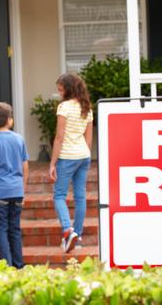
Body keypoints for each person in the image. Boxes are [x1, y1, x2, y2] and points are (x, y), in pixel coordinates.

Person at [48, 73, 93, 253]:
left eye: (61, 89)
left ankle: (68, 231)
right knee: (80, 196)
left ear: (68, 88)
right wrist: (85, 154)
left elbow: (59, 137)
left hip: (67, 156)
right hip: (83, 155)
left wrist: (52, 163)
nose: (59, 93)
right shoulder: (86, 107)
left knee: (59, 196)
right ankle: (78, 236)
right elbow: (89, 138)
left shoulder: (64, 107)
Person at [0, 102, 29, 268]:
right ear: (10, 120)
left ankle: (6, 265)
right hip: (17, 190)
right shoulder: (19, 139)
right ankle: (19, 265)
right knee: (15, 229)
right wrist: (23, 190)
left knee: (1, 229)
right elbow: (25, 167)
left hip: (0, 192)